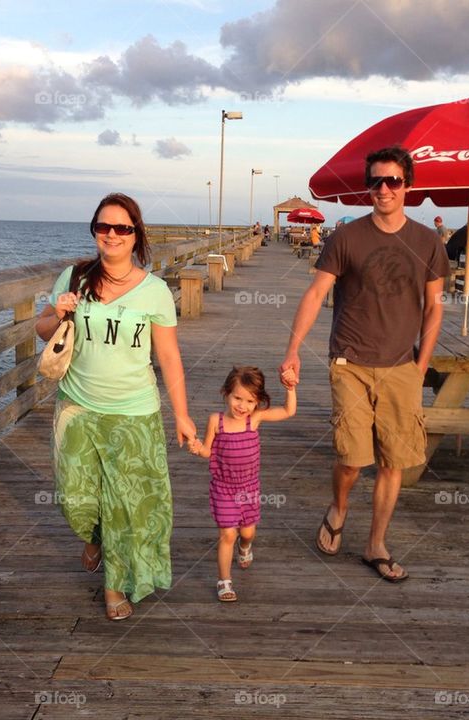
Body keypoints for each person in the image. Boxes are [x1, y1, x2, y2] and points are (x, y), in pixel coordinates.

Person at [279, 146, 448, 583]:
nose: (384, 189)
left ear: (408, 186)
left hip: (400, 366)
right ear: (367, 187)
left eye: (393, 181)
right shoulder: (345, 238)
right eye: (376, 181)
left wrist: (420, 364)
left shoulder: (428, 243)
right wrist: (293, 349)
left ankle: (376, 543)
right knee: (352, 458)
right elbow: (317, 293)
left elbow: (434, 307)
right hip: (350, 361)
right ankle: (339, 506)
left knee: (394, 461)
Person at [36, 192, 197, 621]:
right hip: (77, 406)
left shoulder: (156, 291)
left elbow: (169, 358)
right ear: (94, 231)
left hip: (134, 411)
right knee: (76, 498)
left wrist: (181, 414)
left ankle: (114, 585)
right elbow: (42, 329)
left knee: (126, 505)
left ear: (136, 234)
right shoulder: (74, 277)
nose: (112, 234)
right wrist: (58, 310)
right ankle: (94, 538)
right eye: (104, 227)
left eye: (122, 228)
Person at [188, 367, 297, 602]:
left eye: (249, 401)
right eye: (237, 398)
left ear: (257, 402)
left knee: (247, 532)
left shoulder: (254, 419)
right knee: (228, 534)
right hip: (223, 488)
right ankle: (224, 581)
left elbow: (289, 411)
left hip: (248, 489)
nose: (242, 405)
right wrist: (198, 448)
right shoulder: (216, 421)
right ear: (226, 393)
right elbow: (208, 451)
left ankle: (245, 546)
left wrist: (290, 388)